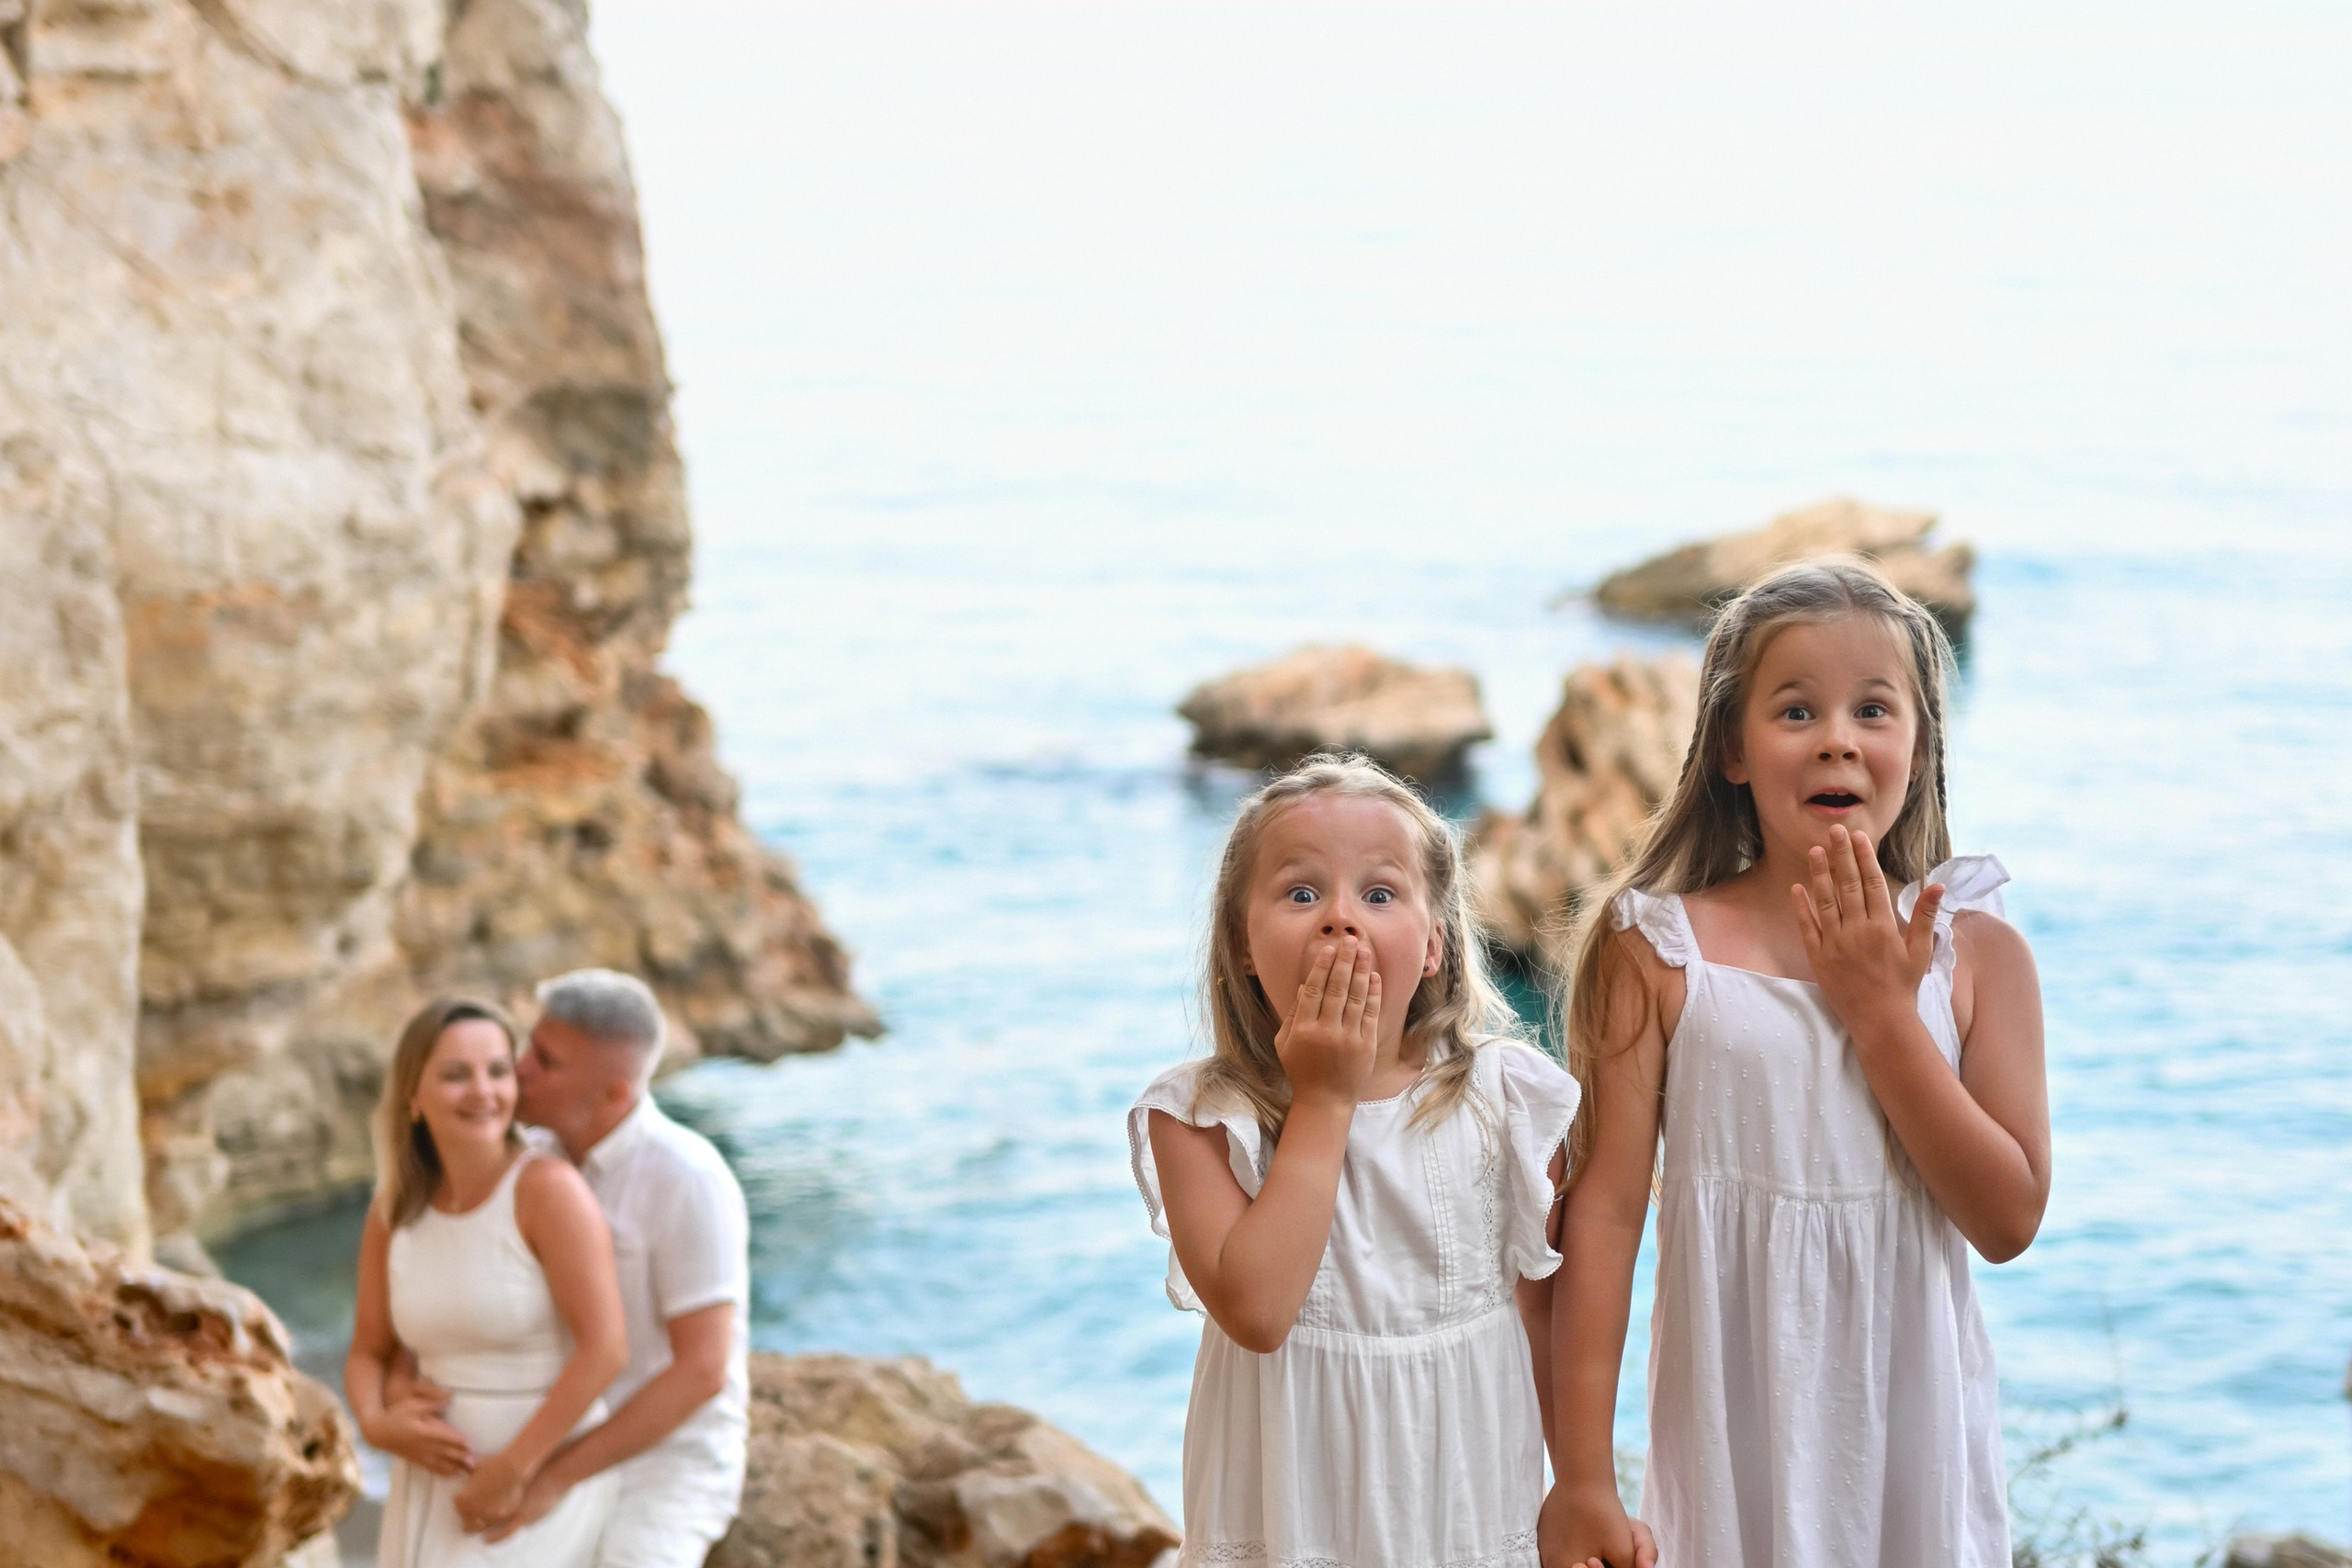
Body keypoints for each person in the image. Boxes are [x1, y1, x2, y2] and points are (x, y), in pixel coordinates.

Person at [1544, 558, 2052, 1568]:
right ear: (1731, 747)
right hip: (1734, 1451)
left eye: (1874, 709)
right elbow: (1602, 1218)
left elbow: (2006, 1219)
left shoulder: (1978, 955)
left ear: (1919, 744)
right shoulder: (1655, 952)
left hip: (1916, 1448)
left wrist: (1878, 1011)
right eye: (1795, 711)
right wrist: (1582, 1480)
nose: (1837, 739)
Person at [1130, 756, 1658, 1568]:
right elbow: (1260, 1311)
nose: (1340, 919)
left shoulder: (1509, 1101)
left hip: (1463, 1510)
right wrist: (1326, 1100)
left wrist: (1584, 1484)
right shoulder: (1200, 1118)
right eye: (1301, 892)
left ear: (1434, 943)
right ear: (1241, 941)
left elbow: (1546, 1310)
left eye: (1379, 894)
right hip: (1291, 1517)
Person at [461, 968, 752, 1568]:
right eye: (528, 1046)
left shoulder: (688, 1179)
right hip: (550, 1432)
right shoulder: (529, 1161)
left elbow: (701, 1370)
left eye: (547, 1060)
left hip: (668, 1456)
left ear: (614, 1095)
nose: (520, 1069)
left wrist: (551, 1476)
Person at [347, 998, 628, 1568]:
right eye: (456, 1075)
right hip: (426, 1482)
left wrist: (514, 1469)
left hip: (534, 1477)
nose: (483, 1091)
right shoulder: (393, 1210)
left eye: (498, 1070)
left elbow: (606, 1350)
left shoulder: (549, 1191)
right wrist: (379, 1427)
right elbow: (368, 1353)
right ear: (412, 1098)